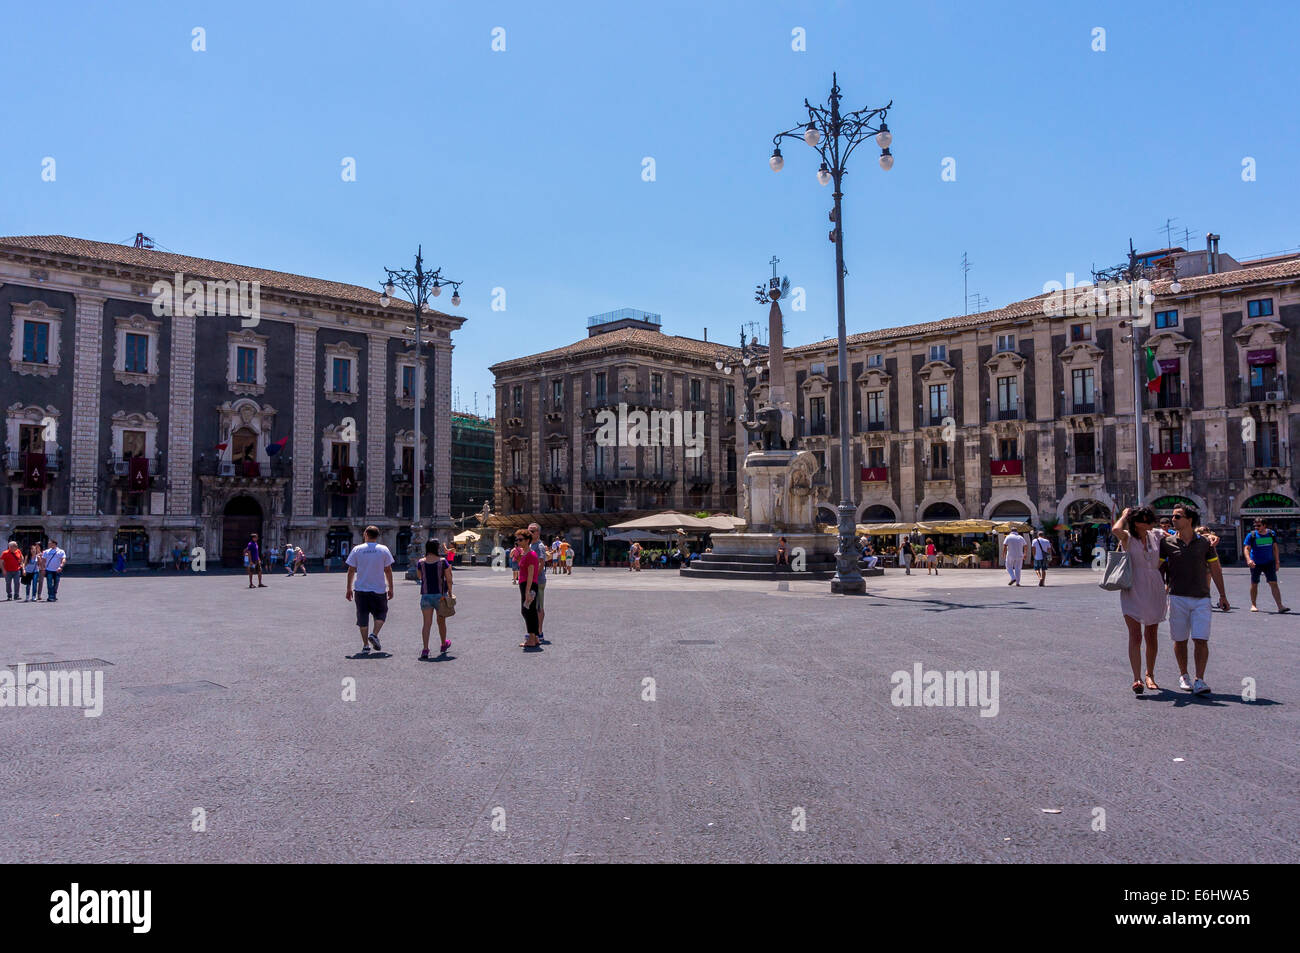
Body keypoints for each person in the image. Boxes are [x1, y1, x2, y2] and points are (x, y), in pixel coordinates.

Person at [1161, 504, 1229, 695]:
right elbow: (1157, 569)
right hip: (1177, 597)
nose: (1173, 519)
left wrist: (1222, 595)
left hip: (1201, 598)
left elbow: (1215, 569)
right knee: (1180, 640)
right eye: (1173, 516)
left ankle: (1199, 679)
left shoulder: (1205, 544)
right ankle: (1184, 675)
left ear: (1189, 520)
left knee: (1201, 639)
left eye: (1177, 516)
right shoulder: (1167, 543)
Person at [1112, 506, 1167, 694]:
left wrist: (1209, 538)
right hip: (1133, 586)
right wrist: (1124, 515)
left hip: (1154, 586)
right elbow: (1115, 530)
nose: (1146, 524)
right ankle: (1136, 678)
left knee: (1151, 634)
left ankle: (1149, 674)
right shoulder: (1128, 537)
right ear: (1134, 522)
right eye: (1141, 520)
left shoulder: (1157, 535)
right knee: (1135, 635)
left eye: (1148, 520)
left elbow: (1179, 537)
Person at [345, 526, 394, 653]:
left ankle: (366, 645)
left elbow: (351, 570)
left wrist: (348, 588)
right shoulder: (383, 549)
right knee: (381, 613)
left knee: (362, 616)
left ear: (366, 534)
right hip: (378, 589)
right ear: (377, 535)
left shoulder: (357, 549)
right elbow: (388, 570)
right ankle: (374, 634)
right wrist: (391, 587)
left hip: (361, 589)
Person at [1243, 518, 1290, 614]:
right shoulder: (1251, 535)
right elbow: (1246, 548)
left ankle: (1280, 606)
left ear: (1264, 525)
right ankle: (1253, 605)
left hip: (1269, 562)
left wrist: (1277, 562)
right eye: (1255, 526)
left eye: (1259, 525)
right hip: (1256, 563)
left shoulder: (1271, 534)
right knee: (1254, 583)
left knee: (1273, 583)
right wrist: (1249, 560)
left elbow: (1275, 548)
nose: (1256, 527)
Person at [416, 538, 452, 658]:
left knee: (426, 623)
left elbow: (420, 576)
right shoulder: (443, 561)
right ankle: (443, 644)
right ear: (437, 548)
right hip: (440, 596)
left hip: (426, 595)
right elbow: (449, 579)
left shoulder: (421, 562)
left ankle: (425, 649)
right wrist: (450, 592)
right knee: (441, 622)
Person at [516, 529, 542, 650]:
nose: (518, 541)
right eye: (517, 539)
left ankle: (532, 638)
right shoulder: (525, 553)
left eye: (521, 539)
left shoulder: (531, 554)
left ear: (527, 540)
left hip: (529, 585)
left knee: (527, 611)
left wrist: (527, 591)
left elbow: (531, 574)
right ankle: (535, 637)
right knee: (529, 610)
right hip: (525, 584)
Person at [528, 522, 550, 643]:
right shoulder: (531, 545)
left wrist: (534, 578)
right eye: (529, 530)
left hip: (538, 581)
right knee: (531, 606)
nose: (531, 532)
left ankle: (539, 632)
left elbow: (541, 563)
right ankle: (534, 632)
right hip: (532, 580)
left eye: (533, 530)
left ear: (538, 532)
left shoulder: (539, 546)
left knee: (539, 607)